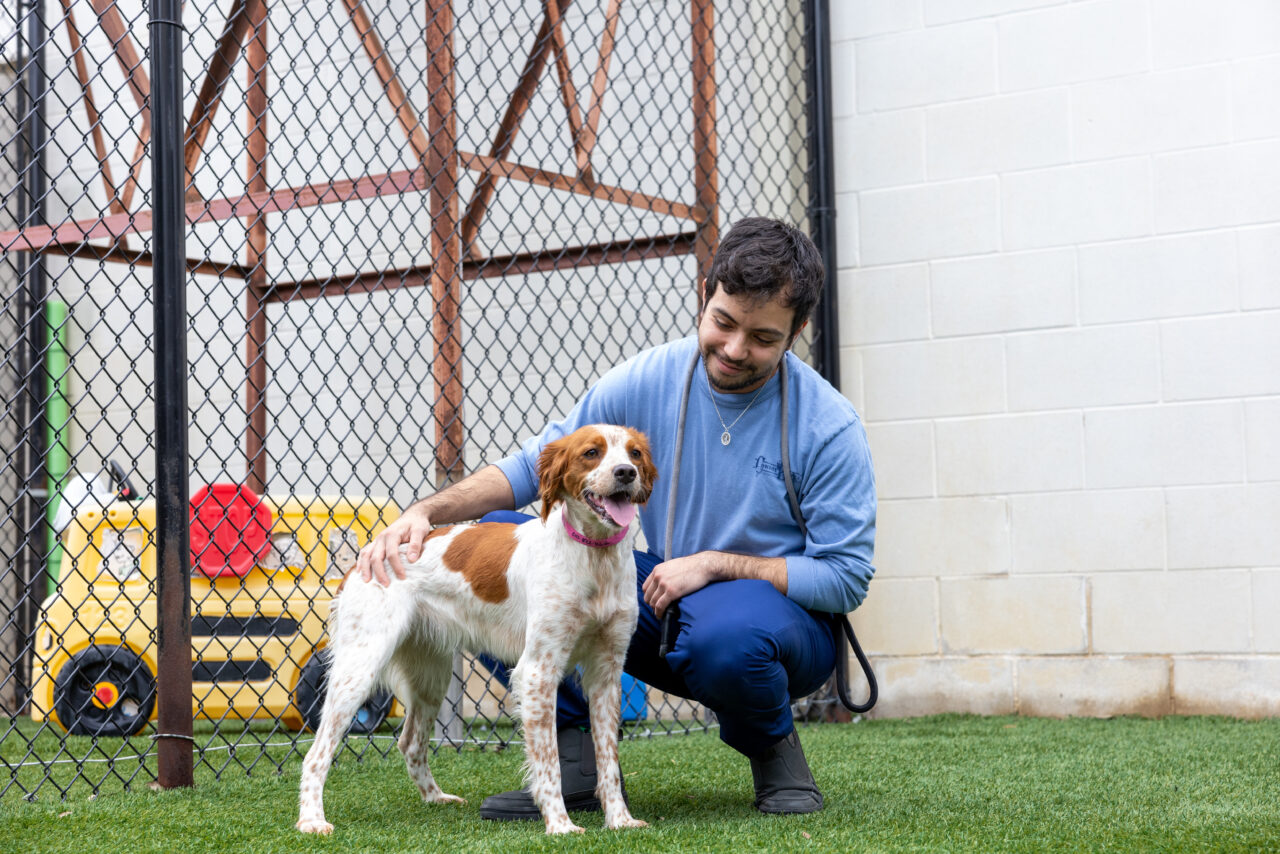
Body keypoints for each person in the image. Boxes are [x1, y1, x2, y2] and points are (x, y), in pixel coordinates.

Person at [356, 217, 876, 817]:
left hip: (780, 629)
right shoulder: (650, 375)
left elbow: (846, 577)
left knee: (729, 635)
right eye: (724, 323)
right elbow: (535, 465)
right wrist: (423, 512)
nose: (734, 350)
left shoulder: (828, 425)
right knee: (499, 542)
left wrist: (712, 565)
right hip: (668, 595)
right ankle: (575, 764)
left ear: (797, 332)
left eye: (761, 338)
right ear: (706, 293)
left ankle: (775, 754)